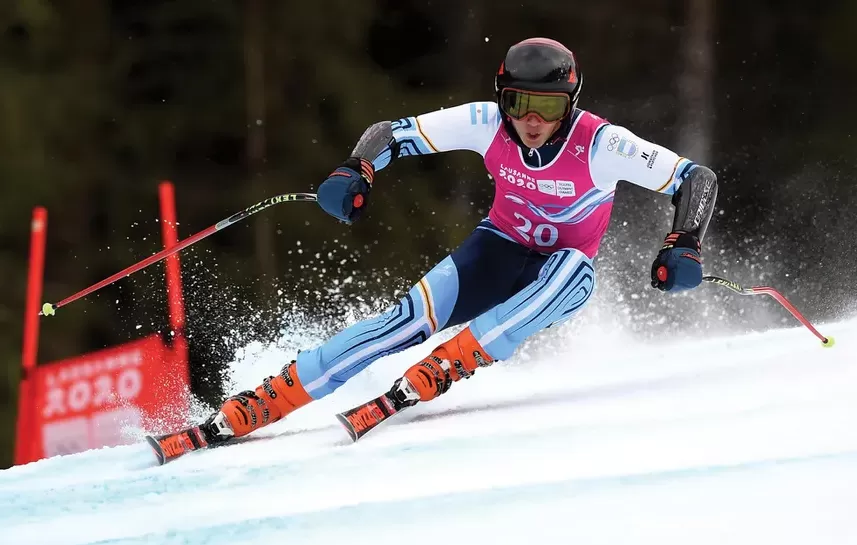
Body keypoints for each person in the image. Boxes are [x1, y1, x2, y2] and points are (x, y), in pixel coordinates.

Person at [202, 37, 718, 443]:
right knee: (400, 323)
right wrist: (356, 167)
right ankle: (275, 395)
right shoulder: (485, 122)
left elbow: (696, 179)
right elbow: (392, 131)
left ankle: (454, 360)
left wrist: (685, 240)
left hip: (559, 273)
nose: (532, 120)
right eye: (520, 103)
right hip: (495, 252)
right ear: (503, 99)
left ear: (571, 105)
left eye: (548, 106)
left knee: (574, 273)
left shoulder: (602, 144)